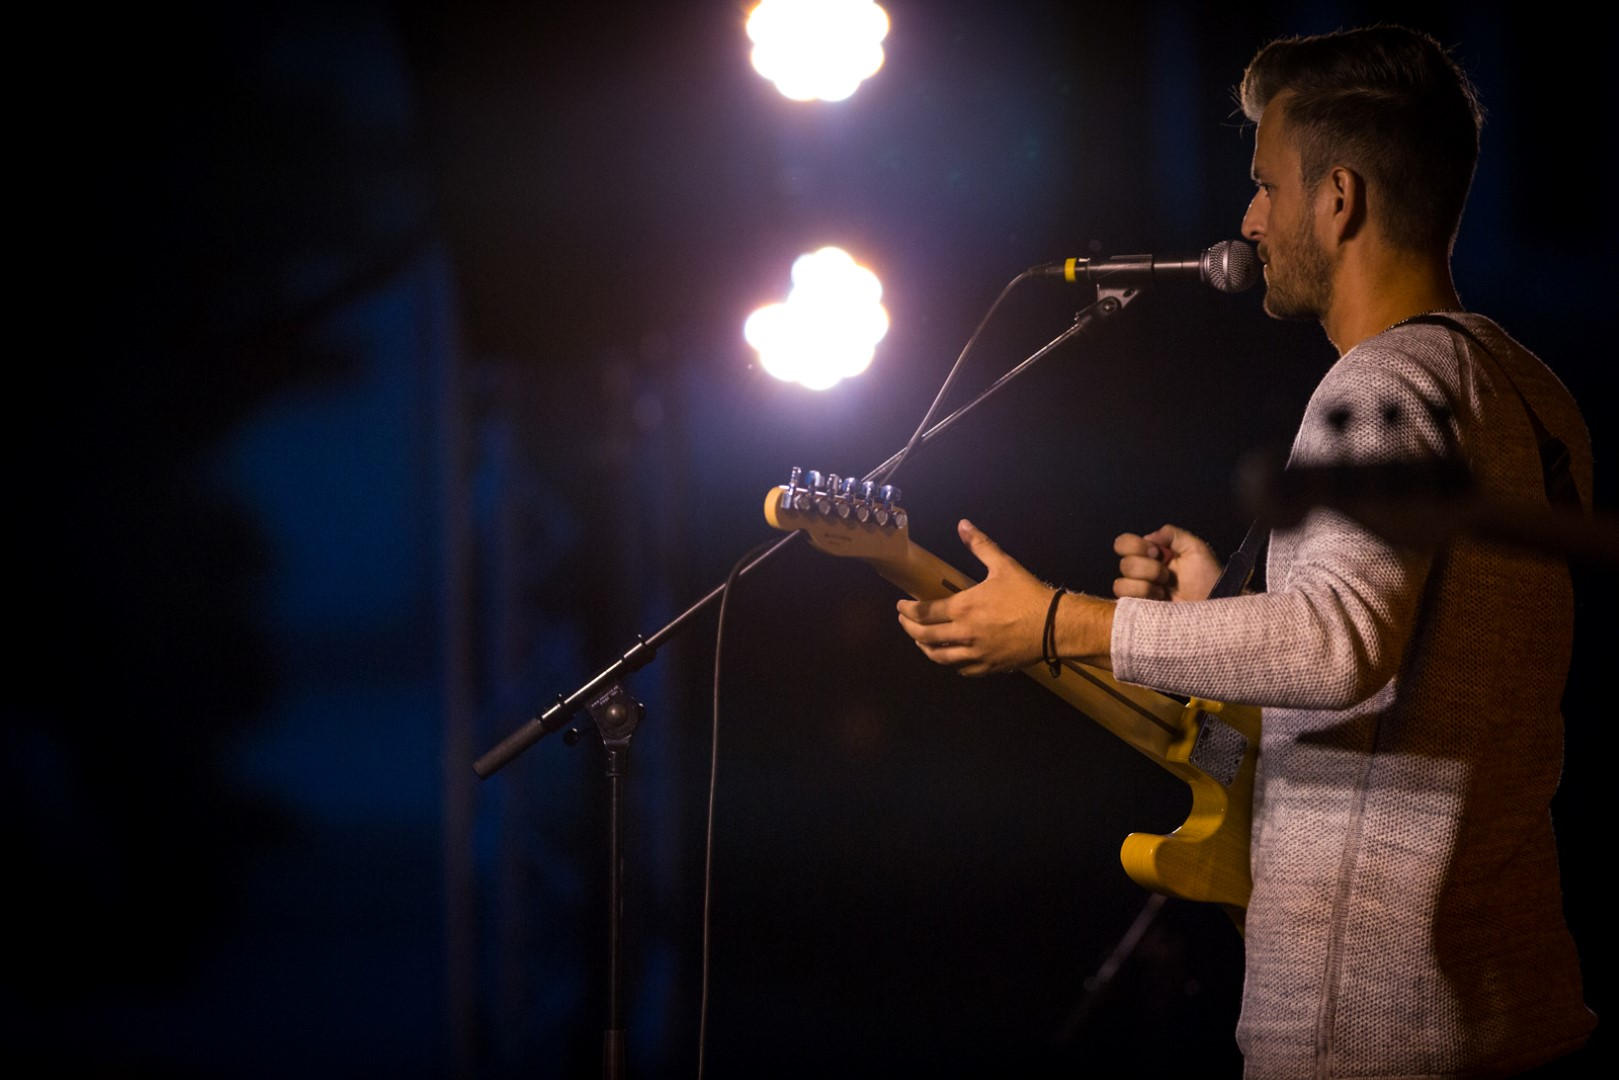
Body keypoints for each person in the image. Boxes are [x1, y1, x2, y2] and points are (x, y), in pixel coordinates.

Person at [896, 26, 1595, 1079]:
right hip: (1509, 1005)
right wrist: (1220, 606)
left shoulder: (1381, 384)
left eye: (1265, 185)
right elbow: (1417, 671)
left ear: (1338, 199)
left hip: (1370, 1035)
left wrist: (1054, 623)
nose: (1247, 220)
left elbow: (1333, 646)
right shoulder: (1530, 392)